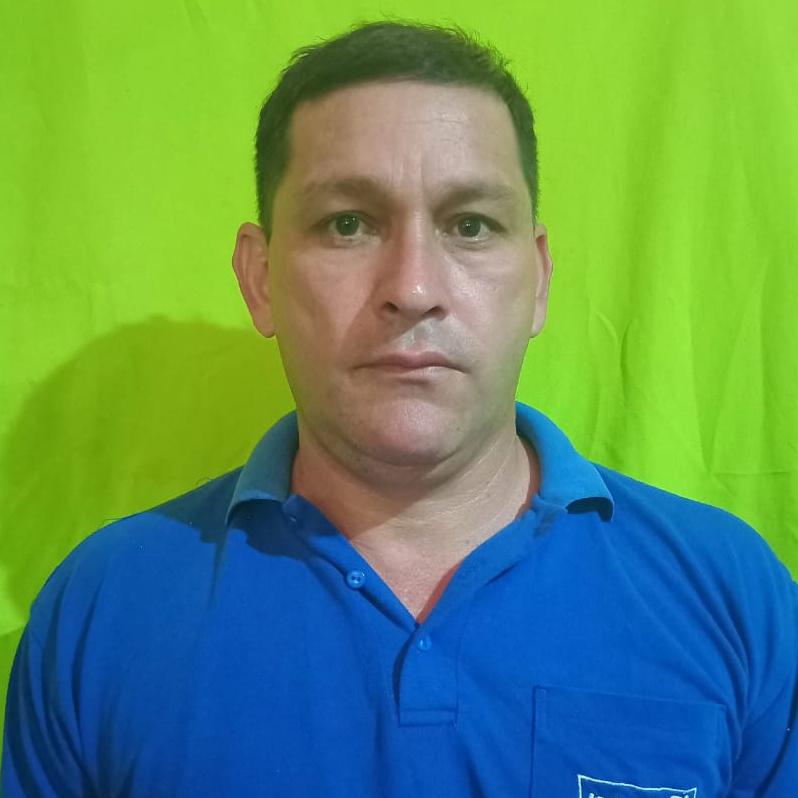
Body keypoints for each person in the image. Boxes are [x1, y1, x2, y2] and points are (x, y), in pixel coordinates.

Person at [2, 19, 796, 798]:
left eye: (471, 225)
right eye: (347, 224)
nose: (413, 288)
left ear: (539, 280)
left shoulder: (731, 594)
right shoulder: (103, 612)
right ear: (260, 276)